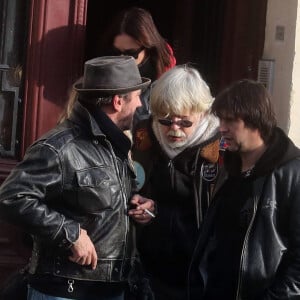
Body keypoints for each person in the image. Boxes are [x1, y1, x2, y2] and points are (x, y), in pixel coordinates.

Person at [0, 56, 155, 300]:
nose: (141, 106)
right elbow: (12, 196)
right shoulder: (60, 147)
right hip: (65, 290)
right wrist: (69, 233)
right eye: (137, 97)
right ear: (117, 102)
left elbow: (100, 201)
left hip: (112, 288)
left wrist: (138, 205)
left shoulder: (115, 144)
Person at [190, 79, 300, 300]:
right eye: (220, 119)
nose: (221, 127)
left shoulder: (292, 174)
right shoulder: (228, 167)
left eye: (230, 120)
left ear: (255, 121)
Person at [130, 65, 221, 300]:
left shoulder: (221, 152)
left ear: (202, 114)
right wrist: (144, 207)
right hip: (147, 271)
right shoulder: (144, 139)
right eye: (166, 120)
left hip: (197, 277)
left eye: (185, 122)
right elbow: (132, 188)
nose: (174, 129)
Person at [100, 7, 176, 125]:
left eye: (131, 53)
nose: (122, 59)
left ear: (149, 48)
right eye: (116, 52)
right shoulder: (101, 69)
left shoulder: (167, 81)